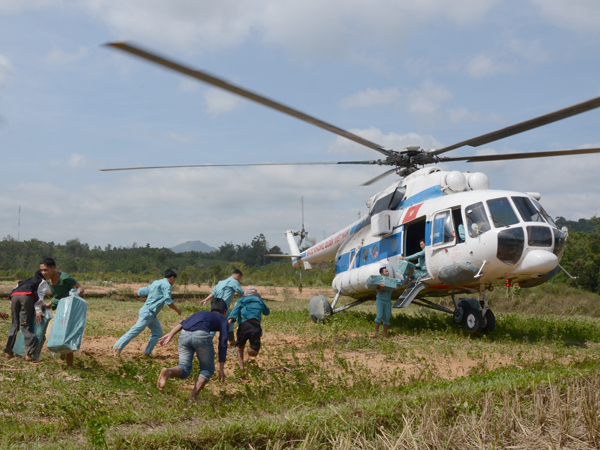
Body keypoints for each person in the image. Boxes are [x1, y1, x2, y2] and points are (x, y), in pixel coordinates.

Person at [156, 298, 229, 401]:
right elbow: (223, 343)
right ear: (225, 311)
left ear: (211, 309)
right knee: (207, 369)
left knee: (184, 368)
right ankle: (193, 397)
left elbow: (182, 323)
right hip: (201, 335)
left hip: (184, 335)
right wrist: (221, 368)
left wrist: (170, 334)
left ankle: (168, 371)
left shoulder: (200, 313)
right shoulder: (223, 319)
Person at [113, 270, 182, 356]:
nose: (174, 282)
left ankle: (147, 352)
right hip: (148, 313)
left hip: (151, 314)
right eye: (175, 280)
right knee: (135, 331)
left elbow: (147, 289)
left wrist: (138, 292)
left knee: (158, 333)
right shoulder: (167, 285)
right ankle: (117, 347)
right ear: (172, 278)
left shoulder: (157, 282)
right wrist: (177, 309)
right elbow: (168, 300)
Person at [40, 258, 84, 367]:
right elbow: (58, 295)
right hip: (57, 310)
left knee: (66, 338)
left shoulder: (64, 278)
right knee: (50, 335)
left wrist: (71, 300)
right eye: (41, 270)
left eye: (45, 270)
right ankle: (62, 352)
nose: (43, 273)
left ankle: (70, 367)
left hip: (69, 311)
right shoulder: (47, 280)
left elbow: (80, 289)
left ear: (53, 268)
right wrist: (49, 304)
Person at [3, 270, 49, 362]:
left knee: (14, 324)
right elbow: (39, 296)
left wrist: (13, 304)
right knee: (25, 325)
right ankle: (29, 354)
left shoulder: (23, 281)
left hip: (14, 297)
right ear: (44, 276)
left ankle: (8, 351)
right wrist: (38, 310)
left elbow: (14, 290)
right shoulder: (43, 282)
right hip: (27, 297)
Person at [228, 286, 270, 371]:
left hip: (244, 326)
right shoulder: (260, 301)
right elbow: (267, 312)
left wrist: (229, 322)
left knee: (240, 347)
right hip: (256, 327)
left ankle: (241, 366)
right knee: (254, 352)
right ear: (256, 294)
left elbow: (234, 312)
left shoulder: (241, 300)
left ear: (246, 294)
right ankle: (249, 351)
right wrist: (260, 299)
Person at [200, 269, 244, 344]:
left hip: (215, 304)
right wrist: (252, 297)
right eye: (240, 278)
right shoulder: (234, 282)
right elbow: (242, 292)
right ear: (237, 276)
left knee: (231, 319)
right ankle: (208, 340)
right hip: (223, 306)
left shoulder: (221, 282)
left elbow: (213, 292)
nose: (239, 280)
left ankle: (231, 339)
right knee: (219, 322)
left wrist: (206, 299)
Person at [373, 267, 401, 339]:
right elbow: (379, 291)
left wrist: (409, 276)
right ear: (382, 273)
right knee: (379, 315)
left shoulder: (391, 281)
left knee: (387, 317)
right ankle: (376, 332)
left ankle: (384, 333)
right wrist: (381, 287)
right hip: (380, 300)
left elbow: (402, 282)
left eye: (387, 271)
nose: (387, 272)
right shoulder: (379, 280)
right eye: (385, 271)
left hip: (388, 301)